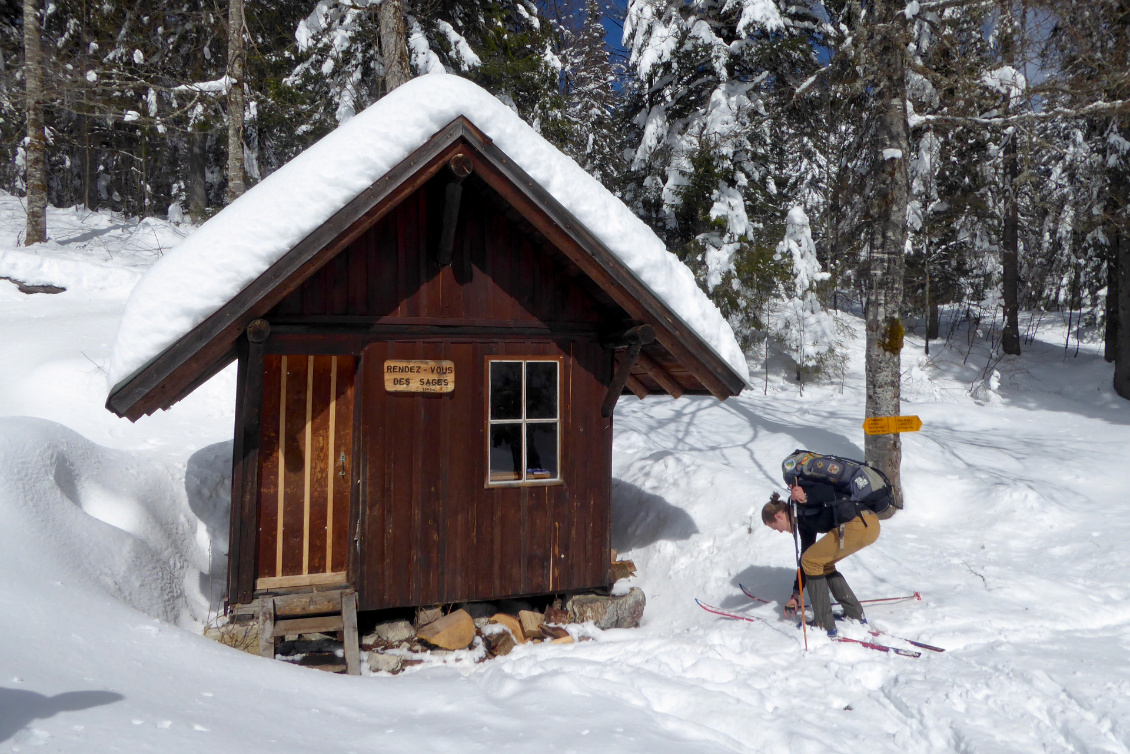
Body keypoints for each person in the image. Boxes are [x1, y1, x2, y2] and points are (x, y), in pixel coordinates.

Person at [762, 478, 880, 638]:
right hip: (867, 524)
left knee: (812, 561)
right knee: (819, 562)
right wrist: (795, 595)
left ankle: (823, 623)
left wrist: (805, 496)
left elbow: (826, 491)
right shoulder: (803, 520)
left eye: (775, 527)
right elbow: (806, 556)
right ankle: (854, 614)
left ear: (779, 516)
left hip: (858, 523)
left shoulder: (800, 506)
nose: (780, 532)